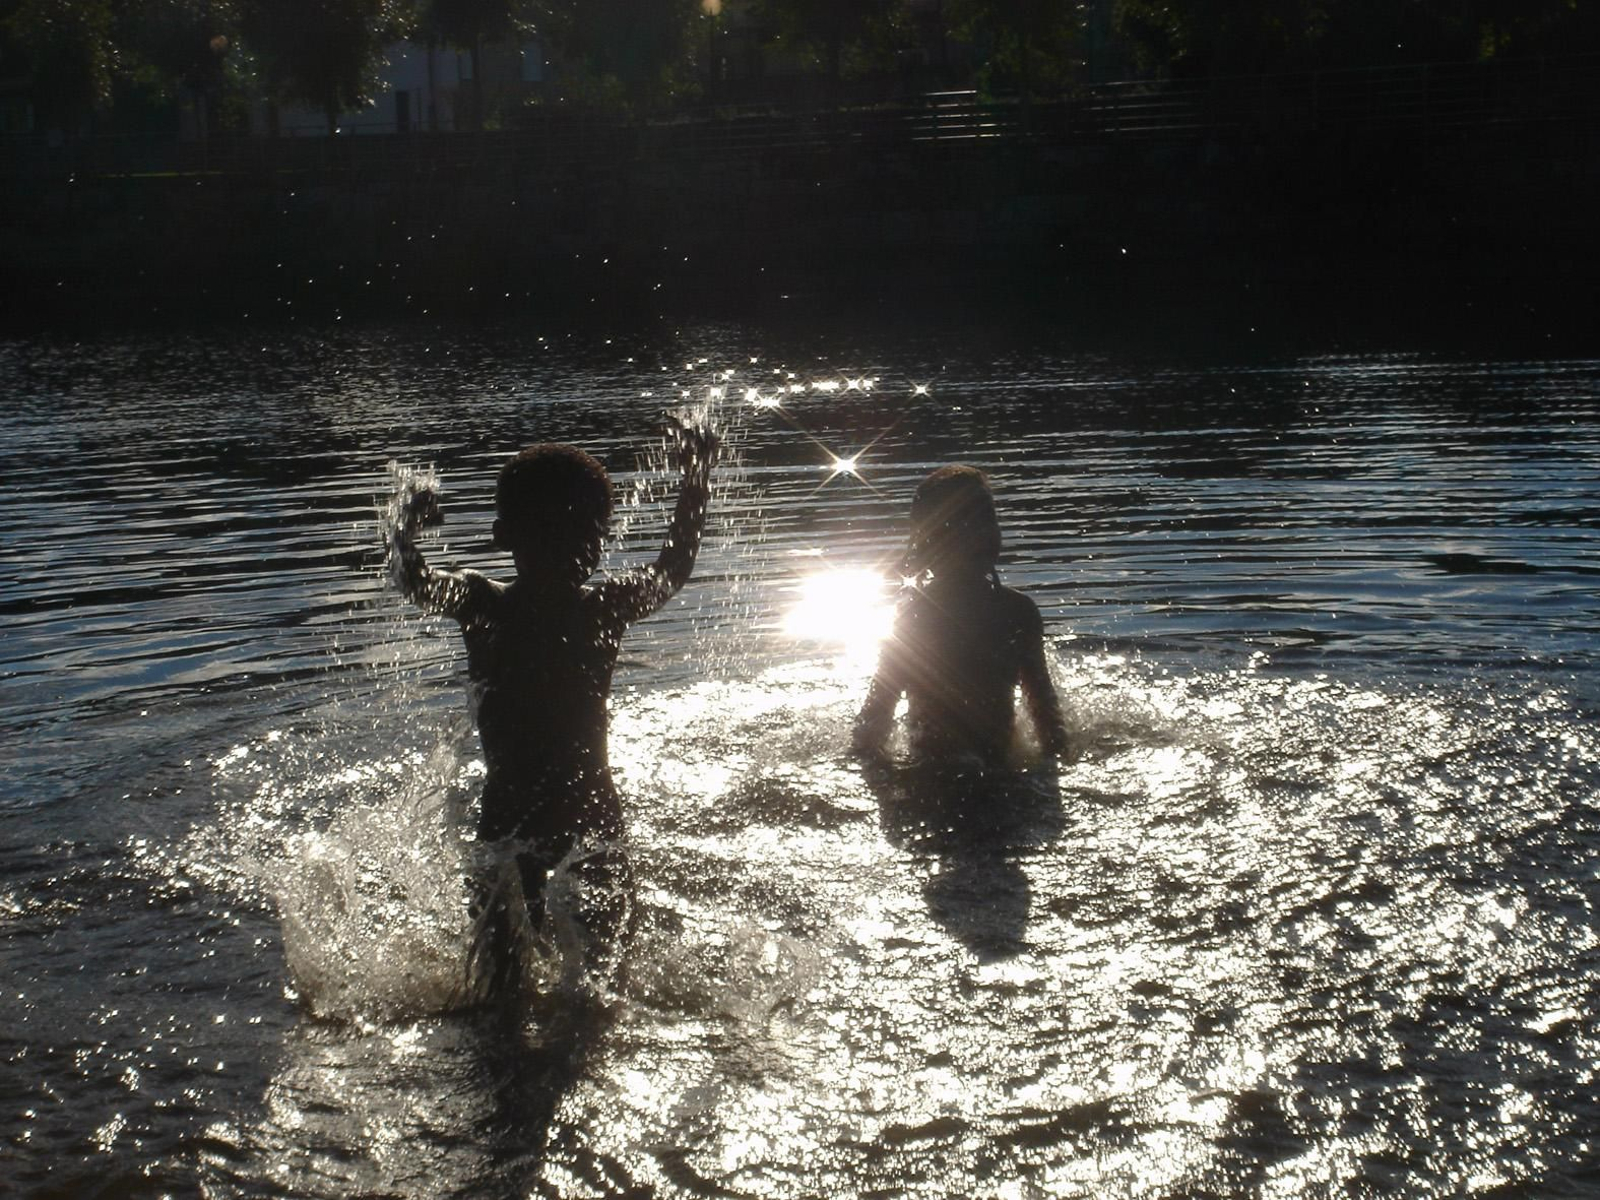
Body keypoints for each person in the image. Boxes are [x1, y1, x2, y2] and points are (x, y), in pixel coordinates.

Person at [387, 415, 717, 989]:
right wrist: (694, 480)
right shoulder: (574, 607)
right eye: (560, 529)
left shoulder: (496, 604)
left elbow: (411, 579)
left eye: (585, 529)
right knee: (582, 981)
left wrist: (403, 524)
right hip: (571, 812)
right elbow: (674, 567)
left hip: (529, 813)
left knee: (532, 983)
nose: (576, 543)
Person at [853, 465, 1069, 767]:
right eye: (962, 523)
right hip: (930, 775)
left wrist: (1056, 762)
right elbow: (876, 717)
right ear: (931, 542)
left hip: (1001, 771)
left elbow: (1045, 710)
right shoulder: (913, 620)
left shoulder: (1018, 613)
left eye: (986, 517)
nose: (981, 533)